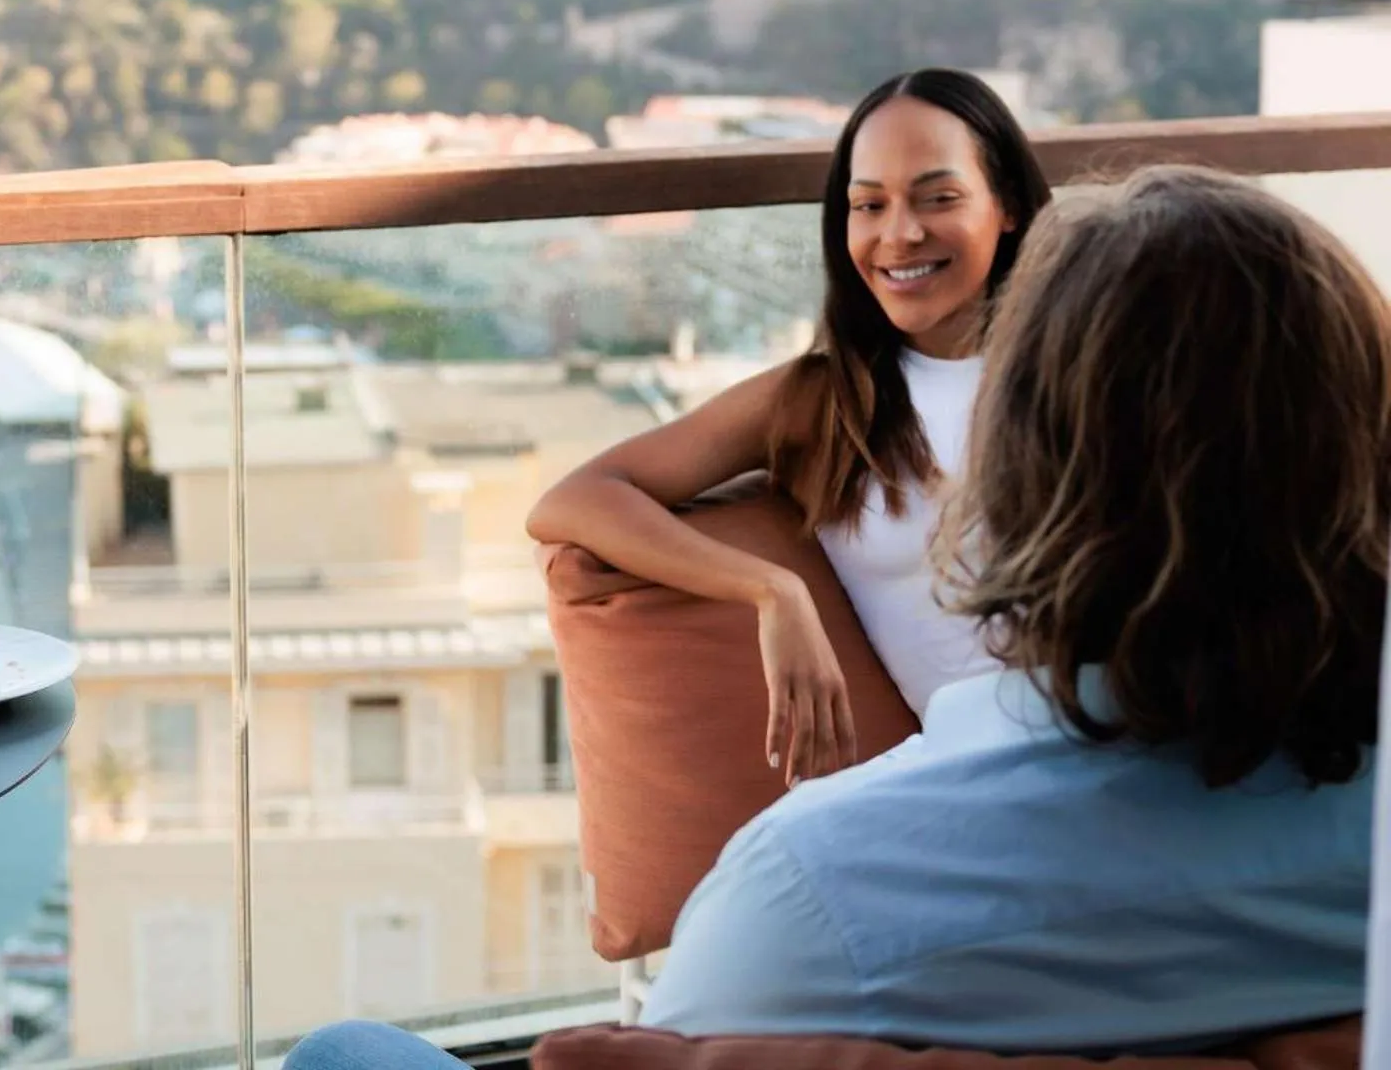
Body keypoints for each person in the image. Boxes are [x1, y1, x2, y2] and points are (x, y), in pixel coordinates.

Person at [284, 165, 1387, 1067]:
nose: (893, 230)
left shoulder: (812, 894)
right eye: (864, 201)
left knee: (343, 1054)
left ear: (1013, 477)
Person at [528, 66, 1051, 785]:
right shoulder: (828, 397)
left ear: (1011, 205)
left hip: (1139, 755)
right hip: (989, 788)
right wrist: (772, 591)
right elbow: (576, 500)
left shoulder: (1083, 362)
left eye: (939, 198)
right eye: (869, 205)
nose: (899, 234)